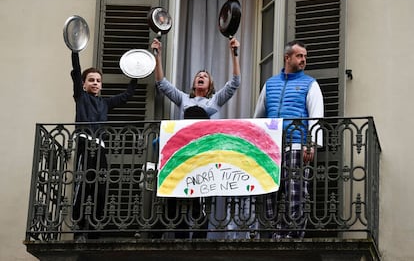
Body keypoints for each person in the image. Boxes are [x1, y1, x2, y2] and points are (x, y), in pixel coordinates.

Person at [151, 37, 241, 239]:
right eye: (198, 75)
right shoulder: (184, 99)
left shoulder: (215, 101)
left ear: (210, 85)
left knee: (199, 196)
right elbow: (161, 83)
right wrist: (158, 55)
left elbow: (235, 83)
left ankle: (200, 238)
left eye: (205, 76)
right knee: (177, 192)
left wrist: (234, 53)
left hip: (203, 154)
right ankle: (180, 234)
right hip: (183, 153)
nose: (201, 77)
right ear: (194, 83)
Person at [254, 40, 324, 239]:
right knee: (270, 192)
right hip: (271, 148)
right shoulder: (270, 84)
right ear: (287, 57)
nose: (303, 60)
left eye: (305, 57)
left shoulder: (310, 84)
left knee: (296, 192)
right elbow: (258, 117)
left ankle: (293, 236)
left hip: (296, 145)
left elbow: (316, 116)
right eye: (299, 56)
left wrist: (311, 145)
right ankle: (271, 233)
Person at [70, 51, 138, 241]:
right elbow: (76, 72)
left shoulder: (105, 103)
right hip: (85, 144)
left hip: (100, 148)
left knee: (100, 188)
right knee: (82, 186)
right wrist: (75, 50)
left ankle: (94, 229)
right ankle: (79, 229)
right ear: (84, 84)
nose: (95, 83)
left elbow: (127, 95)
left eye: (98, 80)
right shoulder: (81, 97)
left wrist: (137, 72)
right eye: (91, 80)